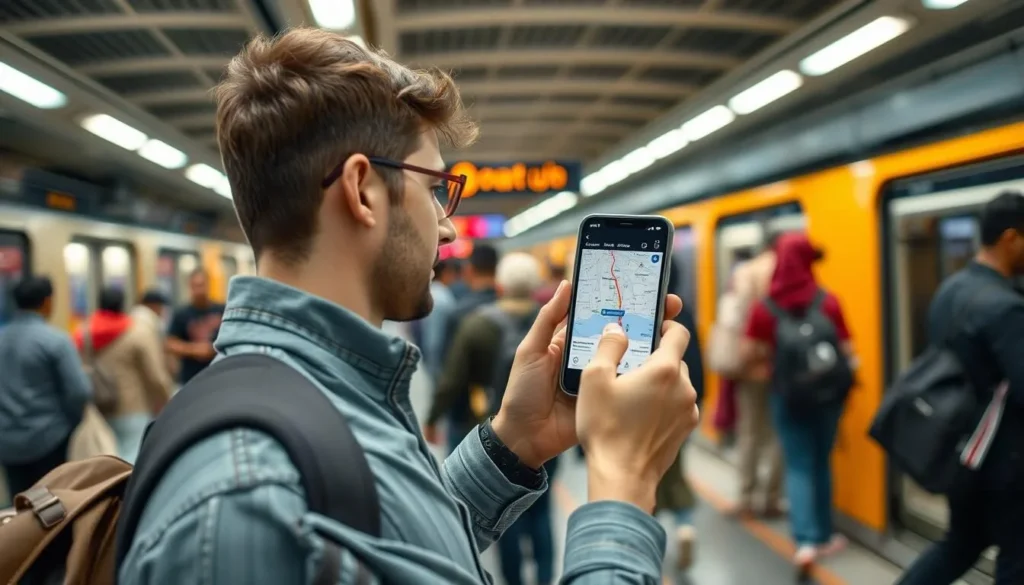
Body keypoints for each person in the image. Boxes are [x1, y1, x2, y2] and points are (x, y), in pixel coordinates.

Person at [118, 28, 700, 584]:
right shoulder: (245, 501)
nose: (447, 228)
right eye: (434, 189)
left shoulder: (321, 397)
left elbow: (393, 548)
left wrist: (515, 442)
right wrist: (622, 483)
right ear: (362, 190)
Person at [897, 191, 1024, 585]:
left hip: (959, 449)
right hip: (1005, 461)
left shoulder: (949, 291)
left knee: (962, 542)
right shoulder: (1005, 307)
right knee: (1018, 559)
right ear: (1010, 238)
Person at [742, 233, 853, 573]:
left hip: (788, 398)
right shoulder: (828, 302)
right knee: (821, 461)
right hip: (828, 398)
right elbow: (847, 350)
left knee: (799, 465)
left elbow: (750, 353)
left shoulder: (765, 308)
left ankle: (805, 542)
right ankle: (825, 536)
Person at [0, 276, 91, 496]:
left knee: (18, 501)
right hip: (49, 437)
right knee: (50, 502)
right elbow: (80, 391)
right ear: (47, 302)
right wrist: (70, 422)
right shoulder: (56, 341)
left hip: (6, 439)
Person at [73, 287, 173, 463]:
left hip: (98, 407)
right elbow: (156, 375)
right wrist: (166, 399)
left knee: (104, 458)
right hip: (132, 407)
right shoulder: (137, 332)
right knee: (130, 459)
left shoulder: (84, 333)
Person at [655, 257, 706, 571]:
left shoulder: (636, 318)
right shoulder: (683, 313)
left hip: (644, 410)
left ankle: (651, 539)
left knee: (647, 476)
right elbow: (697, 363)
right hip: (679, 407)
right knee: (676, 469)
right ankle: (685, 527)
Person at [729, 234, 783, 518]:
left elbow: (737, 316)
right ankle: (771, 498)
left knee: (749, 431)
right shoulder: (785, 268)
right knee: (776, 434)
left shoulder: (745, 271)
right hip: (781, 363)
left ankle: (746, 498)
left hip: (750, 362)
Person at [165, 268, 224, 385]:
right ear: (190, 287)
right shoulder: (182, 314)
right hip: (190, 379)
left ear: (208, 285)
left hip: (219, 376)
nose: (199, 290)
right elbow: (170, 343)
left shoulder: (222, 310)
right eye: (195, 286)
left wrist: (212, 349)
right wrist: (194, 349)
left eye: (202, 285)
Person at [419, 258, 458, 378]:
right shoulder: (441, 298)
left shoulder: (430, 293)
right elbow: (435, 340)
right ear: (445, 273)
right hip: (439, 361)